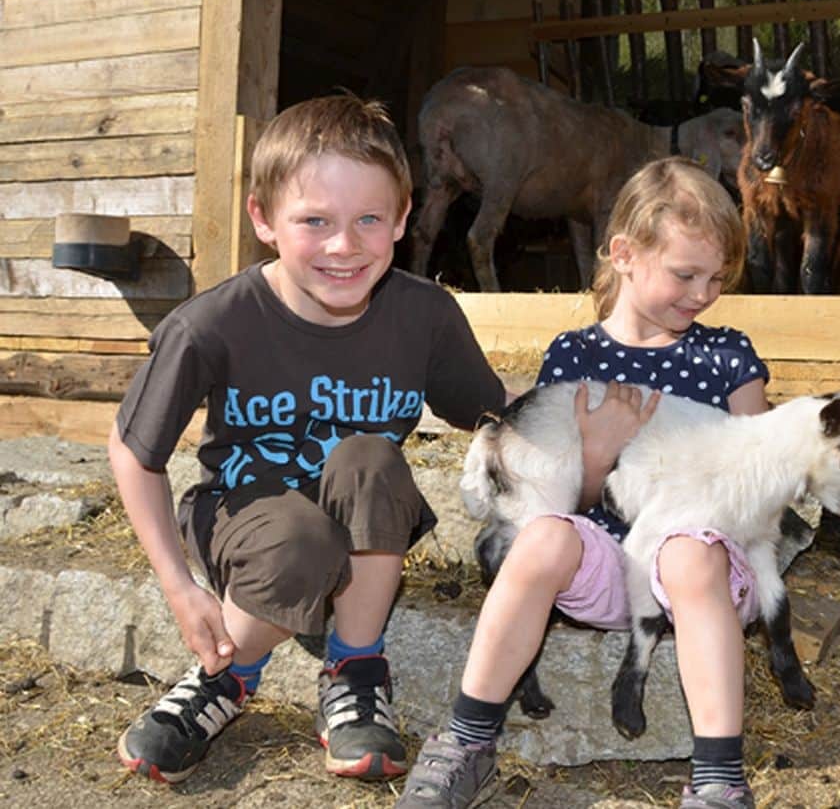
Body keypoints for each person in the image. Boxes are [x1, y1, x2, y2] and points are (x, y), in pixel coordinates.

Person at [108, 94, 509, 784]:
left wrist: (581, 420)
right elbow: (132, 451)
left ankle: (355, 669)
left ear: (402, 218)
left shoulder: (425, 316)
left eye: (368, 220)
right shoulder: (211, 324)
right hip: (247, 520)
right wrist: (179, 586)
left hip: (361, 521)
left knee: (373, 459)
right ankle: (226, 676)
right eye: (315, 220)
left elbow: (494, 415)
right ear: (263, 219)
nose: (343, 246)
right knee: (302, 539)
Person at [396, 157, 771, 809]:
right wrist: (597, 457)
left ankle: (718, 780)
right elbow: (556, 496)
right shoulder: (575, 357)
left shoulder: (726, 356)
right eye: (686, 274)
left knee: (686, 553)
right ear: (624, 255)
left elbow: (758, 486)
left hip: (703, 572)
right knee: (541, 537)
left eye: (717, 279)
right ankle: (467, 741)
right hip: (607, 568)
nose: (703, 293)